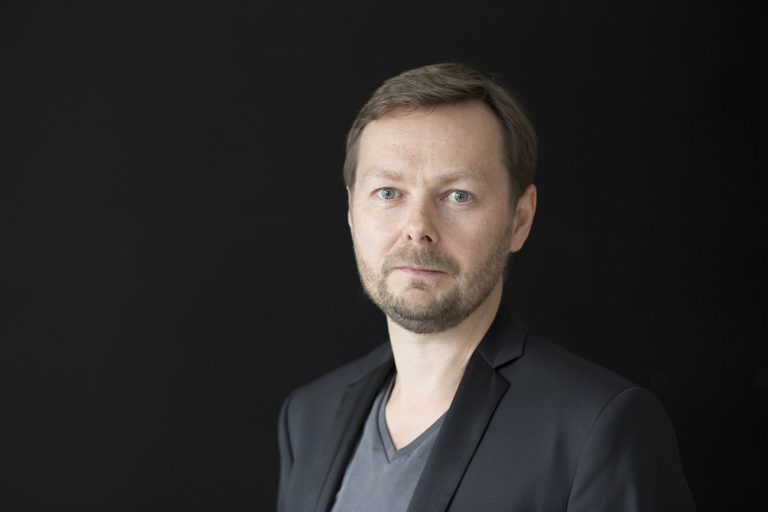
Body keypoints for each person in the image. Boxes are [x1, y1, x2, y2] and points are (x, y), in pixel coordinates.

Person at [276, 63, 695, 511]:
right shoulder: (308, 417)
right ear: (351, 213)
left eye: (458, 195)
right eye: (388, 192)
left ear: (519, 219)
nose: (417, 228)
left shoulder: (598, 428)